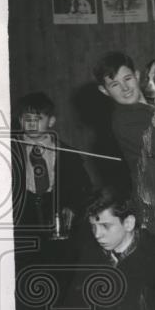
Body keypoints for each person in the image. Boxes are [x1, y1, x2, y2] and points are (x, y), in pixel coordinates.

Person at [94, 51, 155, 238]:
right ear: (104, 91)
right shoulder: (125, 120)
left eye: (128, 78)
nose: (125, 88)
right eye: (115, 84)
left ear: (138, 75)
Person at [12, 91, 92, 232]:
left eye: (38, 118)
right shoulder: (10, 152)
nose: (32, 124)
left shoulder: (69, 154)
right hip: (22, 221)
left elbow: (83, 187)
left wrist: (73, 207)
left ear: (51, 121)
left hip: (58, 220)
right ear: (20, 121)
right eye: (27, 118)